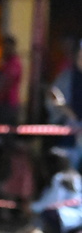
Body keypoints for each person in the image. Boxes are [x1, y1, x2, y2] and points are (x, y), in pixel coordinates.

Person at [18, 148, 82, 233]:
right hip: (77, 217)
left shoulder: (59, 178)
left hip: (64, 217)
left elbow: (51, 201)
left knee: (45, 213)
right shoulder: (76, 176)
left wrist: (31, 207)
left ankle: (35, 230)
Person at [46, 41, 82, 172]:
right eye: (80, 56)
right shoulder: (67, 77)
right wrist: (65, 109)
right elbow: (52, 94)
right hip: (70, 130)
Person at [0, 34, 22, 125]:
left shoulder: (14, 63)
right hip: (1, 104)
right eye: (4, 47)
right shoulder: (5, 63)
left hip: (9, 103)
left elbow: (7, 81)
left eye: (7, 47)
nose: (5, 49)